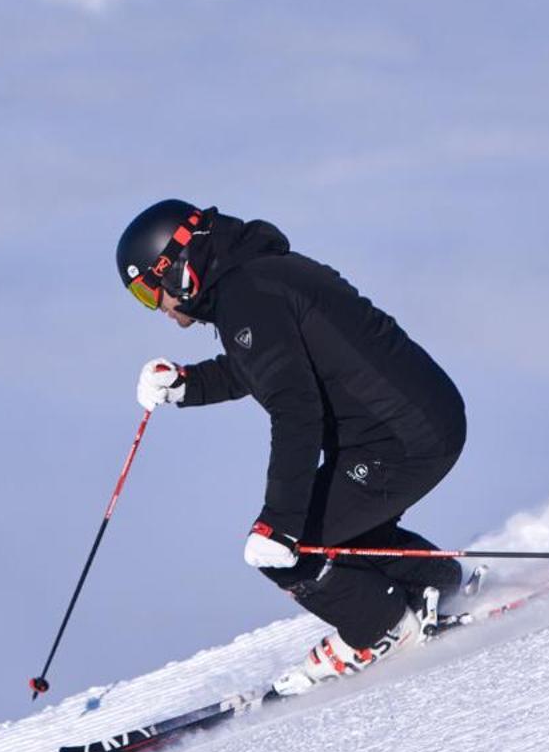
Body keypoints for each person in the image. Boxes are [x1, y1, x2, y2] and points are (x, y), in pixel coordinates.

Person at [116, 199, 469, 695]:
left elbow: (296, 409)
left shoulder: (248, 295)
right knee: (332, 532)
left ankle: (382, 629)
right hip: (414, 423)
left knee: (288, 549)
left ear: (175, 268)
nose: (157, 308)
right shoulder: (254, 281)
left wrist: (278, 522)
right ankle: (432, 585)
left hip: (400, 438)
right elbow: (260, 367)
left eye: (148, 292)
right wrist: (186, 384)